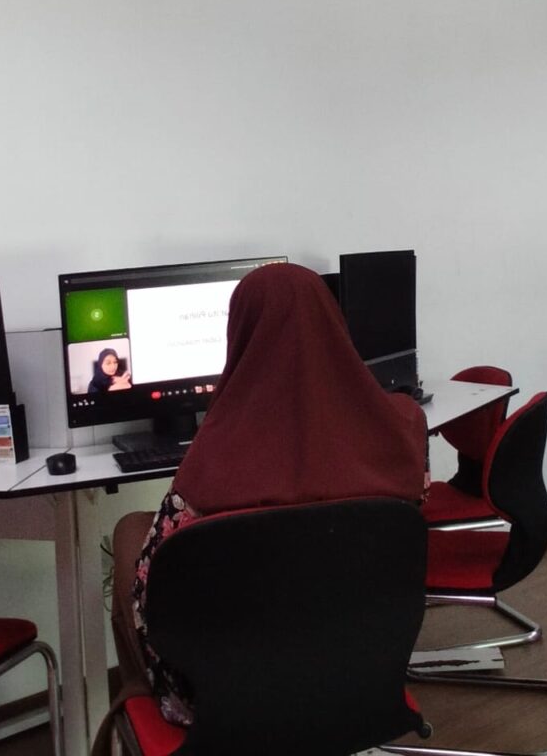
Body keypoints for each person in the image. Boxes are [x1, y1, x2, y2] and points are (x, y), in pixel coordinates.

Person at [101, 262, 428, 740]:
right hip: (360, 679)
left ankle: (136, 697)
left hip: (222, 702)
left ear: (238, 336)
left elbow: (151, 595)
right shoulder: (401, 431)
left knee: (132, 533)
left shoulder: (210, 467)